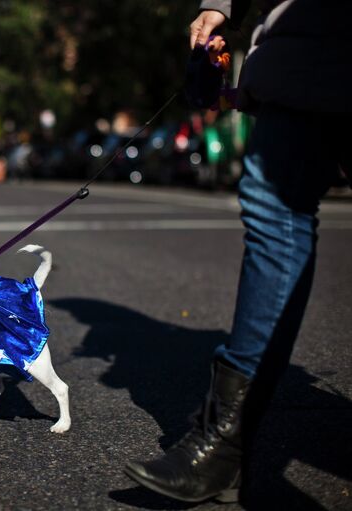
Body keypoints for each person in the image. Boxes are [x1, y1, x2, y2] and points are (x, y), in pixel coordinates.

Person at [123, 0, 352, 504]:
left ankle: (224, 444)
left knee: (277, 212)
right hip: (304, 44)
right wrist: (220, 6)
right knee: (273, 209)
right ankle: (223, 442)